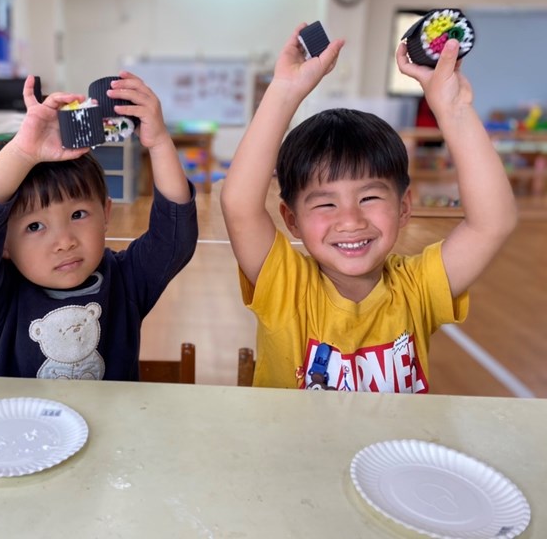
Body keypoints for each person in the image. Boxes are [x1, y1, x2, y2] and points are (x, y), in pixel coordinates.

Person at [220, 23, 517, 392]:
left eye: (370, 197)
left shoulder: (418, 288)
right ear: (291, 220)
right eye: (326, 203)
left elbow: (493, 222)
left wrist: (455, 110)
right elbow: (239, 205)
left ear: (404, 207)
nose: (350, 220)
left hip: (393, 452)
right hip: (294, 451)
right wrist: (284, 91)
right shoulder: (285, 286)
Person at [0, 72, 197, 380]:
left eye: (78, 215)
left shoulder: (127, 281)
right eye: (34, 226)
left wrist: (160, 143)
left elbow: (174, 238)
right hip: (16, 427)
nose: (64, 242)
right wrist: (22, 153)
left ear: (105, 213)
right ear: (1, 240)